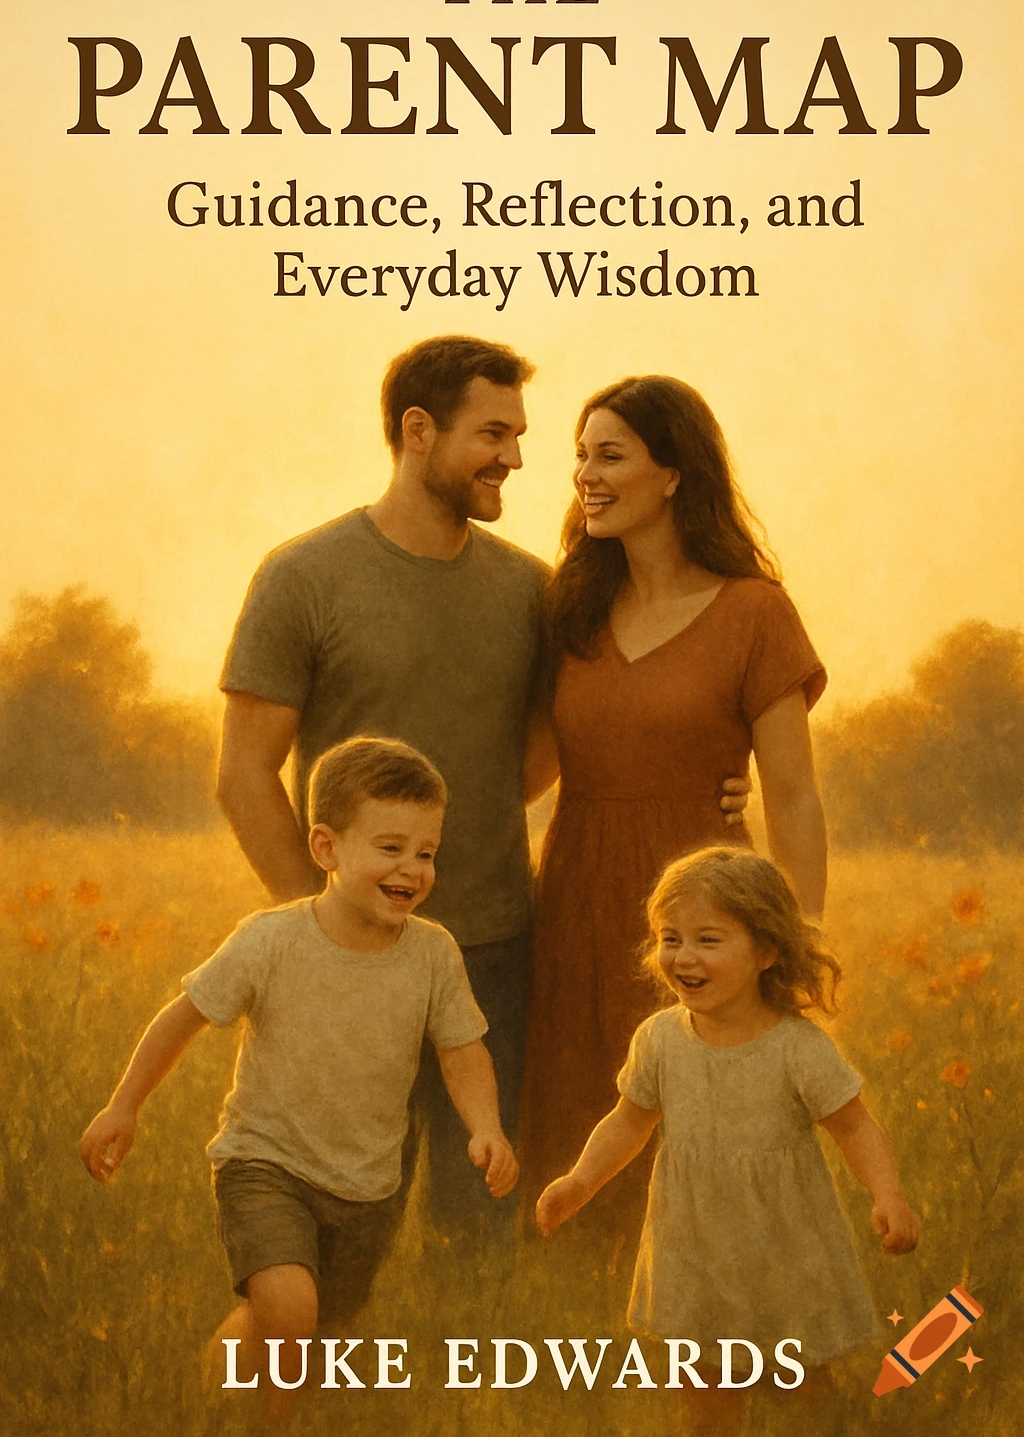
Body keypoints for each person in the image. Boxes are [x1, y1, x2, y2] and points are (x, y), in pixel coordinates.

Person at [216, 340, 749, 1234]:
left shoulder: (533, 594)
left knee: (486, 1224)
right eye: (493, 433)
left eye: (520, 435)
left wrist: (711, 781)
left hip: (497, 951)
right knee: (345, 1214)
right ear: (419, 432)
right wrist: (323, 927)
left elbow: (571, 737)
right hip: (350, 961)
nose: (517, 457)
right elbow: (242, 774)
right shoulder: (302, 576)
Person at [80, 737, 517, 1424]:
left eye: (426, 852)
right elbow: (182, 1017)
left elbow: (463, 1052)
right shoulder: (271, 941)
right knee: (291, 1314)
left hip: (369, 1186)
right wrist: (123, 1106)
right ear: (326, 848)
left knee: (301, 1330)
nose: (411, 868)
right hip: (266, 1163)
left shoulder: (433, 955)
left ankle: (210, 1393)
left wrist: (486, 1127)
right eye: (390, 847)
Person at [521, 375, 827, 1209]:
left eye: (611, 455)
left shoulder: (755, 613)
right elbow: (527, 771)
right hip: (578, 897)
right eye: (580, 456)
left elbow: (794, 798)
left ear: (675, 473)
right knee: (580, 1124)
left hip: (707, 904)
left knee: (708, 1128)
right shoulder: (572, 612)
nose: (587, 473)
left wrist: (791, 950)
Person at [536, 847, 920, 1437]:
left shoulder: (797, 1049)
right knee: (704, 1387)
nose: (683, 956)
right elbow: (629, 1120)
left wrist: (888, 1194)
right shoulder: (660, 1039)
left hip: (786, 1247)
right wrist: (582, 1179)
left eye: (708, 940)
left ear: (767, 951)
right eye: (670, 937)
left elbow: (855, 1126)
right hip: (695, 1247)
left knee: (801, 1385)